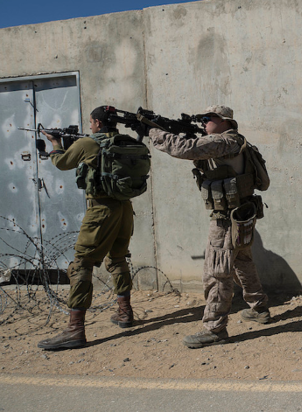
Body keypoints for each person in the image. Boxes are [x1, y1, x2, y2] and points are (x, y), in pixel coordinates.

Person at [149, 105, 270, 348]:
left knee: (217, 271)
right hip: (241, 214)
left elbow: (184, 148)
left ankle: (215, 328)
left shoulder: (224, 143)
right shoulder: (236, 142)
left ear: (224, 121)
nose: (204, 123)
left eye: (208, 118)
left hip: (226, 219)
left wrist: (153, 132)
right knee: (242, 262)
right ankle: (259, 308)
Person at [38, 106, 136, 350]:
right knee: (118, 258)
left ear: (98, 123)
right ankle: (125, 313)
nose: (89, 126)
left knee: (81, 263)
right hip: (124, 209)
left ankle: (75, 330)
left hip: (101, 209)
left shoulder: (90, 143)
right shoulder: (127, 142)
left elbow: (61, 162)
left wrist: (56, 143)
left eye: (91, 123)